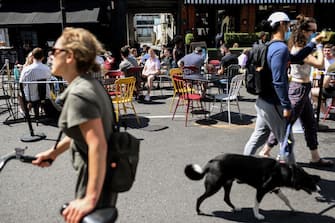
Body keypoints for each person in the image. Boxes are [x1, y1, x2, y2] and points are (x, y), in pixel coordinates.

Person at [32, 27, 117, 223]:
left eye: (54, 51)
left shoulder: (79, 93)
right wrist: (52, 153)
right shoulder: (89, 85)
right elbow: (83, 133)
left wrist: (90, 198)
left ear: (69, 56)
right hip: (103, 177)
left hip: (92, 180)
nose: (51, 56)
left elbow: (97, 144)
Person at [243, 12, 322, 163]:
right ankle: (290, 175)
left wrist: (312, 44)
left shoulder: (271, 46)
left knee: (258, 137)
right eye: (287, 24)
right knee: (288, 140)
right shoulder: (280, 48)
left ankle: (242, 169)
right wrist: (286, 105)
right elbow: (278, 80)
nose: (289, 28)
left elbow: (296, 59)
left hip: (263, 100)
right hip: (273, 103)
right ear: (281, 25)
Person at [257, 15, 333, 167]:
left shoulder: (302, 47)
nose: (315, 33)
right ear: (304, 31)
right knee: (286, 124)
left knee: (310, 124)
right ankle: (266, 151)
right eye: (313, 31)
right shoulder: (299, 48)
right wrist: (319, 45)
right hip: (298, 90)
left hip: (304, 90)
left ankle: (315, 156)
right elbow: (319, 64)